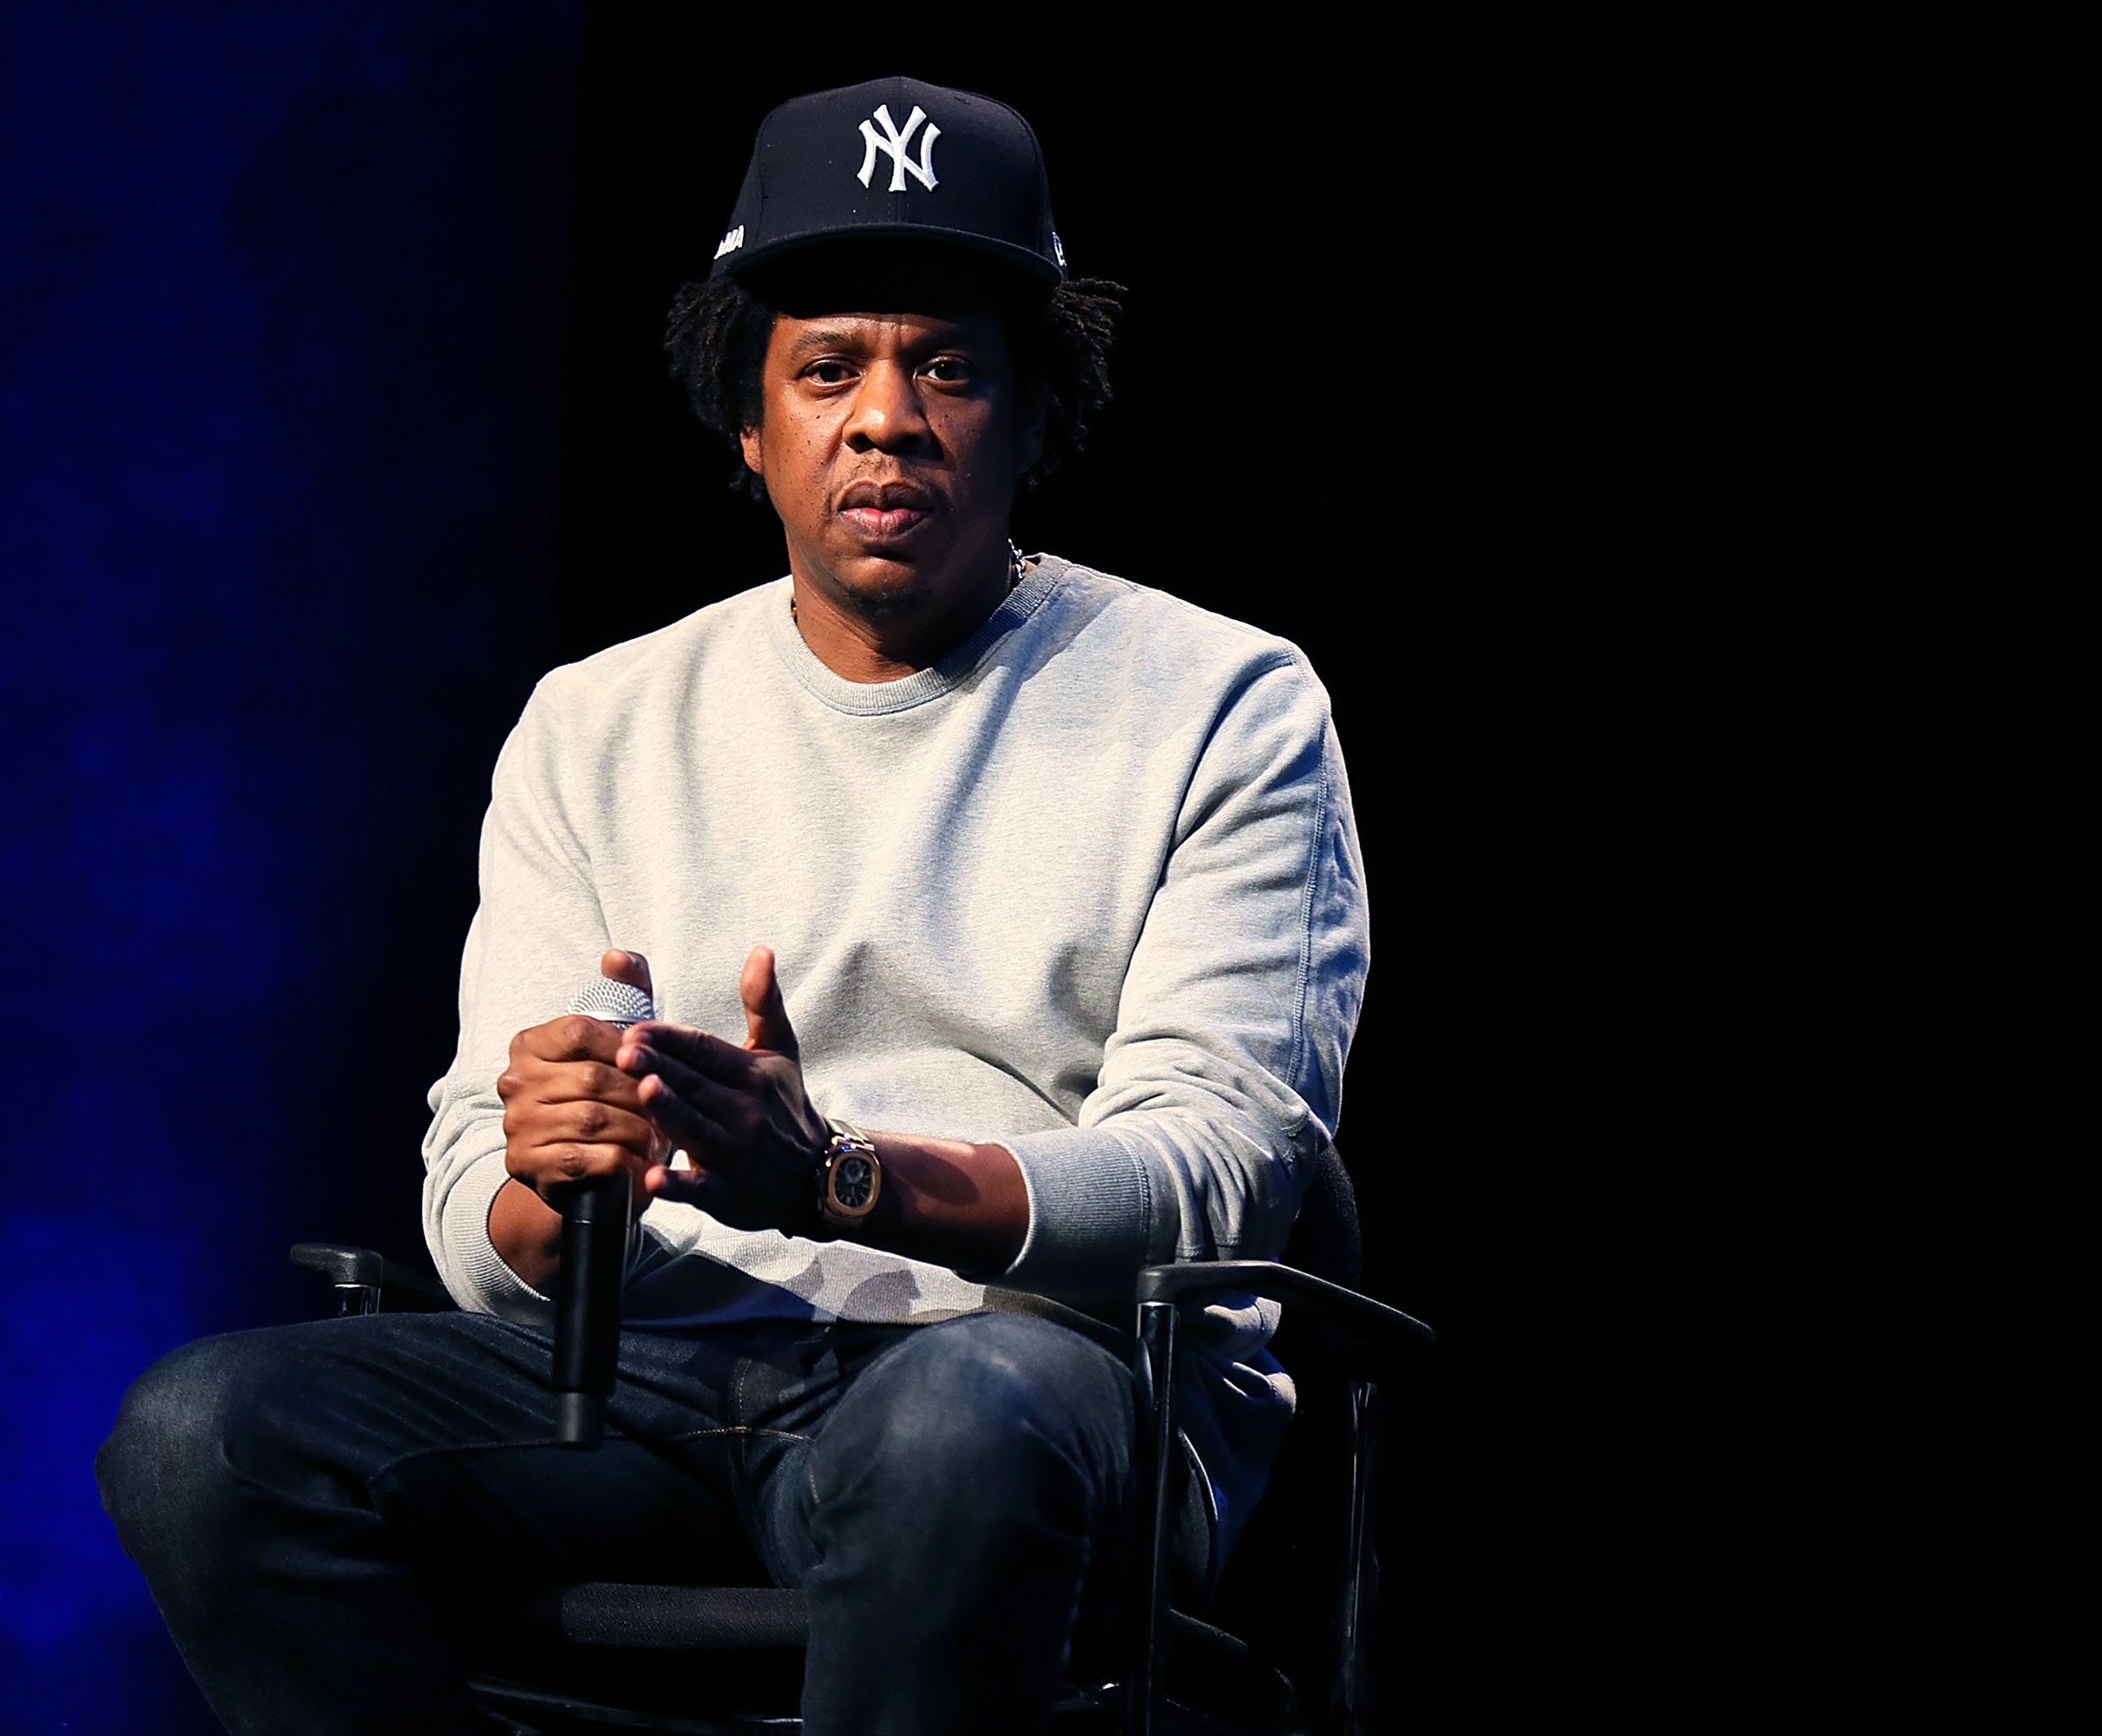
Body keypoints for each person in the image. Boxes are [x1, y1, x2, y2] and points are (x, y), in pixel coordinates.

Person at [98, 76, 1368, 1735]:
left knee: (957, 1424)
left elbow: (1217, 1174)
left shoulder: (1223, 702)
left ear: (1036, 408)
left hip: (1029, 1379)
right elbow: (483, 1209)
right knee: (205, 1435)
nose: (887, 417)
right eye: (828, 368)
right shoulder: (598, 723)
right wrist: (563, 1174)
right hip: (655, 1381)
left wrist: (838, 1180)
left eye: (951, 366)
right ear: (750, 420)